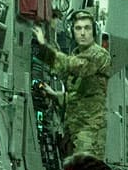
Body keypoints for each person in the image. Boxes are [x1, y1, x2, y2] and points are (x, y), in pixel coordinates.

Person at [36, 9, 111, 157]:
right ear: (72, 32)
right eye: (78, 28)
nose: (82, 33)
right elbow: (77, 96)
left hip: (90, 131)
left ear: (94, 31)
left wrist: (44, 47)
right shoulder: (75, 54)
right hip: (73, 131)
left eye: (87, 28)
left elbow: (77, 67)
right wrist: (54, 95)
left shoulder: (99, 55)